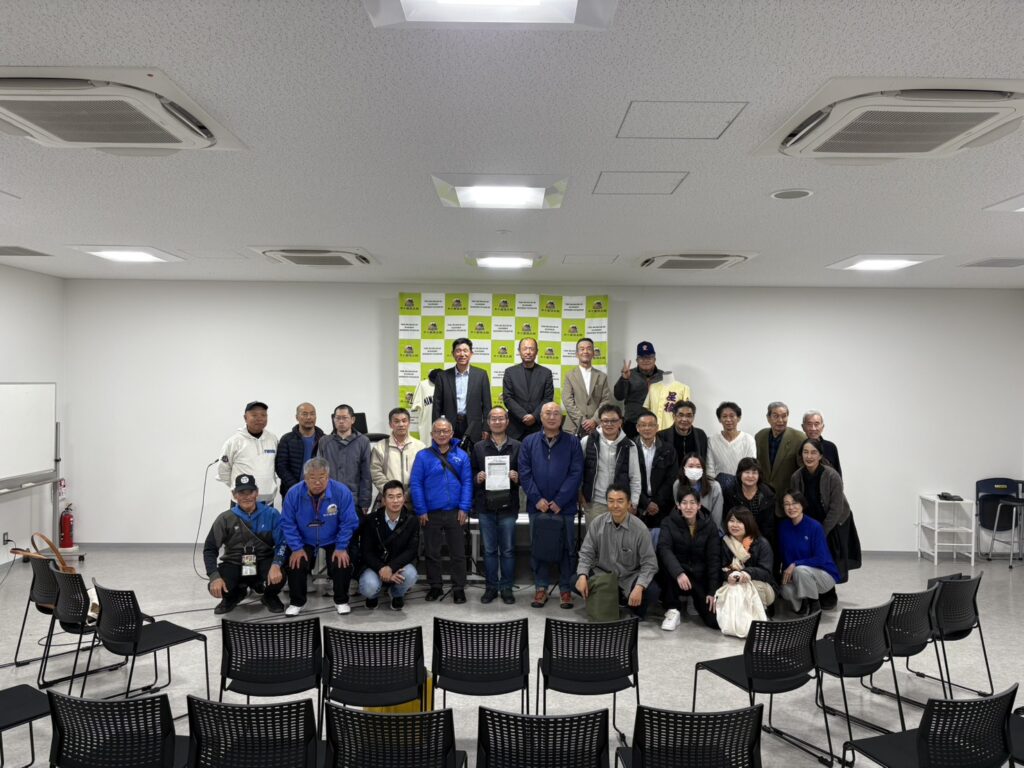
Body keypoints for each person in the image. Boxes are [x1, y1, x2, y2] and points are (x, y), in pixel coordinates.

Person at [520, 402, 584, 609]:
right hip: (537, 506)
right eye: (548, 413)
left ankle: (565, 589)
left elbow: (576, 473)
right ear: (540, 416)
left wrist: (560, 501)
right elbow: (524, 473)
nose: (552, 417)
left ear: (561, 418)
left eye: (556, 413)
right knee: (539, 548)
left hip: (564, 507)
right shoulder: (529, 442)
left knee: (567, 548)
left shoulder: (572, 442)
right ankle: (541, 588)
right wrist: (537, 498)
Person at [279, 457, 361, 616]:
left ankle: (341, 600)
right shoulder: (293, 493)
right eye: (312, 478)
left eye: (322, 477)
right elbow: (287, 523)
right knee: (296, 562)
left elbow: (349, 521)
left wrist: (341, 547)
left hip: (333, 537)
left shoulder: (341, 491)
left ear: (328, 476)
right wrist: (296, 547)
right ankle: (297, 602)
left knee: (342, 561)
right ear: (305, 478)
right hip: (304, 538)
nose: (317, 482)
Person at [409, 417, 473, 604]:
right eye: (437, 431)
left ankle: (458, 587)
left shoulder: (462, 456)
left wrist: (464, 507)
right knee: (432, 552)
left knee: (458, 553)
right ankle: (435, 586)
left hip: (455, 512)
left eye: (445, 431)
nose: (442, 434)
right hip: (431, 513)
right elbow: (416, 484)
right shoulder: (423, 456)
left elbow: (468, 482)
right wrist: (421, 509)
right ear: (432, 434)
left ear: (452, 433)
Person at [203, 474, 286, 614]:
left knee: (280, 576)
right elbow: (210, 549)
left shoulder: (272, 514)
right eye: (241, 493)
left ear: (257, 492)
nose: (246, 497)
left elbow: (282, 543)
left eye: (250, 492)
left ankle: (269, 596)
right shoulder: (225, 518)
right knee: (217, 586)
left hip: (263, 560)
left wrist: (276, 564)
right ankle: (234, 595)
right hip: (234, 562)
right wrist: (214, 576)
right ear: (234, 495)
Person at [789, 438, 860, 598]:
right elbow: (796, 504)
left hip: (833, 521)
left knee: (830, 556)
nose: (809, 456)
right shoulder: (796, 476)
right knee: (810, 555)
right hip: (810, 522)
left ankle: (829, 593)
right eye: (805, 452)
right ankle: (811, 591)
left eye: (813, 452)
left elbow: (836, 508)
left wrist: (821, 532)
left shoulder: (832, 475)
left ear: (820, 455)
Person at [576, 483, 659, 619]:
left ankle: (624, 602)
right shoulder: (597, 523)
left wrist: (639, 586)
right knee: (576, 580)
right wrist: (582, 575)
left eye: (620, 501)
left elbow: (650, 563)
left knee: (652, 591)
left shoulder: (640, 529)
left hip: (629, 577)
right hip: (603, 575)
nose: (615, 505)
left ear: (629, 504)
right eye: (611, 501)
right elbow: (586, 553)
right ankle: (613, 600)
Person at [471, 407, 521, 604]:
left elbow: (526, 473)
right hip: (486, 506)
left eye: (501, 418)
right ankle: (491, 588)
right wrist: (477, 477)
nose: (497, 422)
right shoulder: (478, 447)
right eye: (494, 419)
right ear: (488, 422)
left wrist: (518, 477)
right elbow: (471, 473)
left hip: (509, 506)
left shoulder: (517, 446)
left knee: (507, 550)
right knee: (490, 550)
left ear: (507, 422)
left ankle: (507, 588)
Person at [657, 487, 721, 631]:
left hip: (698, 575)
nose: (688, 507)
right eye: (684, 503)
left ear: (699, 505)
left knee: (714, 622)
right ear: (678, 506)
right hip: (676, 575)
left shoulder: (709, 526)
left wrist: (713, 591)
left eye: (692, 503)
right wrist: (678, 573)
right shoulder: (668, 522)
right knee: (665, 562)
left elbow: (714, 559)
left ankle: (694, 600)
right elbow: (664, 549)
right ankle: (673, 609)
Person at [358, 480, 419, 611]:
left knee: (411, 574)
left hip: (398, 565)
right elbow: (366, 551)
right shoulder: (371, 519)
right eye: (391, 497)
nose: (395, 501)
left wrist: (391, 568)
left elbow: (411, 550)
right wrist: (381, 568)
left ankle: (396, 594)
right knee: (369, 585)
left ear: (404, 498)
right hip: (375, 566)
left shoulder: (412, 520)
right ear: (384, 500)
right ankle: (373, 596)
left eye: (399, 496)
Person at [777, 492, 840, 614]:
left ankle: (814, 606)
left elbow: (821, 558)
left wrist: (795, 564)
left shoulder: (815, 526)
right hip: (798, 574)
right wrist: (785, 573)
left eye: (795, 503)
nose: (791, 507)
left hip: (823, 574)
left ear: (802, 505)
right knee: (785, 590)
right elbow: (783, 556)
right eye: (787, 504)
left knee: (800, 570)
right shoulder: (782, 527)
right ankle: (803, 606)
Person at [580, 404, 641, 525]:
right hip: (595, 503)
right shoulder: (587, 441)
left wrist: (633, 502)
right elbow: (579, 471)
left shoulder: (629, 445)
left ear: (620, 422)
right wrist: (580, 494)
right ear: (600, 422)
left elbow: (635, 477)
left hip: (620, 503)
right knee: (595, 536)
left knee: (619, 537)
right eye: (605, 421)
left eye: (613, 421)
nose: (609, 424)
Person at [432, 338, 492, 444]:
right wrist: (436, 428)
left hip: (473, 426)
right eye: (458, 351)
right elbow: (437, 406)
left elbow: (487, 405)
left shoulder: (481, 375)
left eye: (465, 350)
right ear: (453, 354)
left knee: (473, 453)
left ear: (471, 353)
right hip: (448, 426)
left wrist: (486, 428)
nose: (462, 354)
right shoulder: (442, 376)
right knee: (449, 453)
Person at [218, 400, 279, 504]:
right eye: (254, 415)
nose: (259, 418)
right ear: (245, 418)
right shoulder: (234, 442)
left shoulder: (272, 439)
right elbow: (223, 470)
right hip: (242, 502)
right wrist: (237, 487)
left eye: (263, 415)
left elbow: (277, 466)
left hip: (267, 501)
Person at [318, 404, 373, 514]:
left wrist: (365, 501)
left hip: (353, 499)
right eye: (338, 418)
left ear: (352, 420)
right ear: (334, 420)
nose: (341, 421)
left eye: (345, 418)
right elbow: (319, 471)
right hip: (329, 498)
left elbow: (366, 474)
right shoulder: (325, 441)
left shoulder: (363, 441)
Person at [718, 507, 777, 610]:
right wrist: (728, 575)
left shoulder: (761, 543)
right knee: (729, 587)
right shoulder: (724, 542)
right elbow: (719, 568)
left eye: (739, 522)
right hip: (733, 583)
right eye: (732, 521)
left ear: (748, 523)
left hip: (761, 586)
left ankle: (761, 615)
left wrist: (746, 573)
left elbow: (766, 573)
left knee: (752, 587)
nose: (734, 525)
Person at [634, 410, 677, 546]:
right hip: (637, 504)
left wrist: (656, 502)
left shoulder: (668, 449)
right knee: (637, 544)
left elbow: (671, 479)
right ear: (637, 427)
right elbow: (627, 478)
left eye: (651, 425)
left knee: (660, 544)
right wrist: (645, 503)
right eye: (643, 425)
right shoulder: (630, 448)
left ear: (657, 427)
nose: (647, 428)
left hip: (662, 505)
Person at [502, 338, 554, 441]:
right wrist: (523, 416)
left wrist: (534, 416)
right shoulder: (510, 372)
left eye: (531, 349)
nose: (528, 352)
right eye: (525, 349)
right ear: (519, 351)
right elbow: (508, 398)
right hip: (515, 428)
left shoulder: (546, 373)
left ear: (536, 351)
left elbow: (547, 399)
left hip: (538, 426)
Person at [754, 401, 805, 507]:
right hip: (763, 498)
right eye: (776, 416)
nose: (780, 420)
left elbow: (803, 471)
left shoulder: (799, 438)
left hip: (788, 500)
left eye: (784, 416)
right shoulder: (759, 436)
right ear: (768, 418)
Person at [370, 407, 425, 503]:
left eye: (404, 421)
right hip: (390, 500)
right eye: (396, 421)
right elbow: (376, 473)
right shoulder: (380, 447)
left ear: (409, 423)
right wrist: (392, 493)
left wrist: (408, 495)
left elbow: (424, 474)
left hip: (414, 498)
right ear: (390, 424)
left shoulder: (420, 447)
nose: (401, 424)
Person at [561, 337, 613, 436]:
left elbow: (606, 400)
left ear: (593, 353)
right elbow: (567, 400)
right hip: (573, 428)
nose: (585, 351)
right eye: (582, 349)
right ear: (577, 354)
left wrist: (594, 420)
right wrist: (583, 422)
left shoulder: (602, 376)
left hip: (596, 428)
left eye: (589, 349)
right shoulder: (569, 375)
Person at [723, 457, 777, 547]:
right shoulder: (731, 492)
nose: (750, 476)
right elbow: (727, 519)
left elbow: (768, 526)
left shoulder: (767, 494)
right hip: (736, 538)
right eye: (747, 472)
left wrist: (757, 543)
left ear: (759, 475)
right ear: (740, 474)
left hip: (760, 539)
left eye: (754, 473)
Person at [614, 341, 664, 437]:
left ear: (654, 359)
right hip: (633, 423)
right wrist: (624, 379)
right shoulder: (629, 374)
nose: (646, 360)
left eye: (649, 357)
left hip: (656, 424)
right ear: (637, 360)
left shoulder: (663, 376)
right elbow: (618, 396)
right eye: (642, 358)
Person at [275, 402, 324, 500]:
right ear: (297, 417)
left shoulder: (324, 439)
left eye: (312, 414)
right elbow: (281, 467)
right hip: (292, 492)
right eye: (304, 414)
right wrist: (296, 487)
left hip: (319, 492)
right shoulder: (287, 439)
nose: (309, 417)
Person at [671, 453, 724, 531]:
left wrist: (711, 532)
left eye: (698, 466)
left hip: (709, 529)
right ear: (684, 468)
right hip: (684, 529)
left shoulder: (714, 486)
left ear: (703, 469)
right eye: (691, 466)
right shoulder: (677, 484)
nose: (694, 469)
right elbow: (679, 510)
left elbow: (717, 516)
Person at [706, 401, 756, 479]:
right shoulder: (712, 440)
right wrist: (713, 485)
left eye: (732, 416)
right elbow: (710, 469)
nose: (728, 419)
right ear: (719, 419)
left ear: (739, 418)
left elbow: (751, 467)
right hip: (719, 483)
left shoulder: (748, 439)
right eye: (724, 416)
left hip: (742, 483)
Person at [657, 400, 708, 468]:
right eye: (680, 415)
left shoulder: (700, 435)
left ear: (693, 417)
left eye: (689, 416)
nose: (684, 419)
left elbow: (704, 460)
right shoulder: (661, 436)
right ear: (674, 416)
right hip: (671, 474)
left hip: (694, 473)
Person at [802, 410, 842, 476]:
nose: (813, 428)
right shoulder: (800, 447)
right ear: (803, 427)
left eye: (816, 424)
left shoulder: (831, 447)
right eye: (809, 424)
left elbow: (838, 474)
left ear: (822, 427)